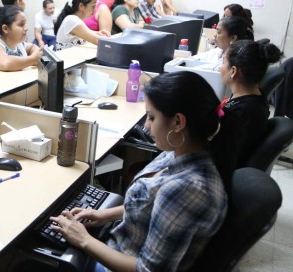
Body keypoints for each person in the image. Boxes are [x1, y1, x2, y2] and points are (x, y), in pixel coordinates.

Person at [51, 71, 234, 272]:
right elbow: (149, 204)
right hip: (121, 242)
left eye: (151, 117)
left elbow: (147, 270)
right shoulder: (180, 152)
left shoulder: (186, 189)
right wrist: (103, 215)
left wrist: (84, 240)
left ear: (178, 122)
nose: (146, 127)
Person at [221, 39, 282, 167]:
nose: (219, 68)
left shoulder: (243, 113)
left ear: (233, 71)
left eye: (223, 62)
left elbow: (221, 156)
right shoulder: (254, 95)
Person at [0, 5, 42, 73]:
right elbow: (5, 63)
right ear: (5, 28)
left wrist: (37, 52)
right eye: (21, 24)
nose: (26, 28)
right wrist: (32, 60)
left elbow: (32, 47)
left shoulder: (18, 44)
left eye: (25, 23)